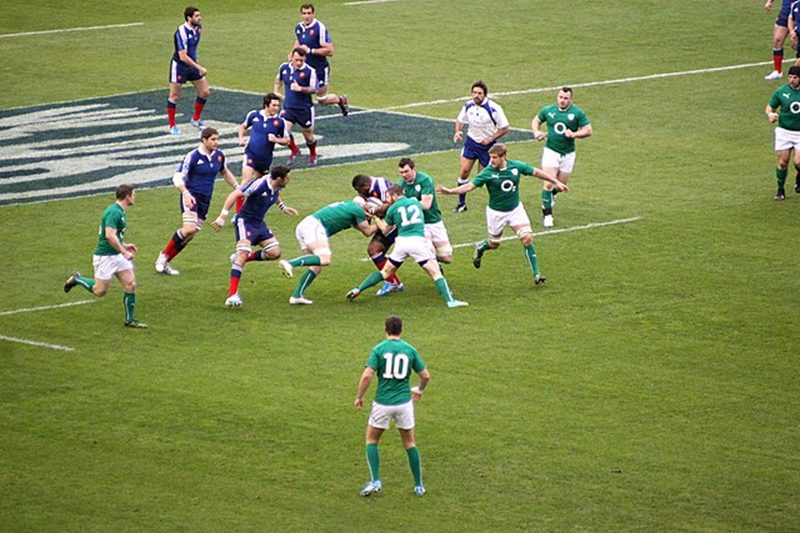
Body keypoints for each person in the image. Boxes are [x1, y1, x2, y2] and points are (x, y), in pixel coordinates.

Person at [438, 143, 568, 285]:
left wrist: (556, 182)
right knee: (494, 244)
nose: (491, 161)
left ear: (503, 157)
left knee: (527, 239)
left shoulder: (516, 166)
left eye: (494, 158)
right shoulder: (487, 172)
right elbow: (469, 186)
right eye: (490, 157)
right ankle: (481, 247)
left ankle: (537, 275)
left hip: (515, 210)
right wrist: (451, 191)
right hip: (496, 213)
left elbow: (536, 172)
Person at [346, 185, 468, 308]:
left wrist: (375, 218)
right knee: (436, 273)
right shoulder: (415, 202)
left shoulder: (392, 209)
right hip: (417, 242)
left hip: (402, 243)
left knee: (385, 272)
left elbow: (384, 230)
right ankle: (450, 301)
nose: (387, 200)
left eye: (388, 197)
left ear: (394, 196)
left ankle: (358, 289)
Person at [354, 315, 430, 497]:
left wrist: (359, 397)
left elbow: (367, 376)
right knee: (410, 443)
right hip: (404, 404)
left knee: (372, 440)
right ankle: (418, 485)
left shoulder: (379, 349)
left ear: (385, 329)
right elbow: (425, 375)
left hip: (382, 403)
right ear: (401, 330)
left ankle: (376, 480)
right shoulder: (409, 350)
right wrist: (418, 391)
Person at [155, 127, 239, 275]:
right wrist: (186, 193)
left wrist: (237, 187)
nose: (216, 142)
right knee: (189, 229)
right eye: (213, 139)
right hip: (191, 197)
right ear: (204, 140)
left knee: (190, 236)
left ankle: (167, 262)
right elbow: (177, 177)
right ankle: (163, 256)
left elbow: (224, 171)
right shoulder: (193, 156)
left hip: (205, 200)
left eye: (217, 139)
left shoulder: (219, 156)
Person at [211, 165, 298, 307]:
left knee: (275, 252)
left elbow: (275, 194)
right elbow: (235, 194)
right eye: (287, 178)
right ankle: (232, 295)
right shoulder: (259, 184)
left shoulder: (276, 186)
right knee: (243, 253)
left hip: (259, 224)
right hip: (245, 222)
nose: (289, 180)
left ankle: (239, 258)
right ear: (279, 178)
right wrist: (222, 216)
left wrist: (283, 207)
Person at [63, 184, 147, 328]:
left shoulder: (119, 211)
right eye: (133, 194)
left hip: (117, 255)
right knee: (99, 291)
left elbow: (113, 236)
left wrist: (124, 245)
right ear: (127, 196)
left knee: (130, 284)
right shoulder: (114, 212)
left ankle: (130, 320)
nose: (135, 197)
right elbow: (108, 235)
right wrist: (124, 251)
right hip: (105, 257)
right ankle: (76, 279)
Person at [279, 199, 377, 304]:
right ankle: (290, 263)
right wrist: (384, 223)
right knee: (325, 259)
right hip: (314, 226)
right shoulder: (357, 210)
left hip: (305, 225)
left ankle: (296, 296)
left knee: (315, 267)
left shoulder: (349, 207)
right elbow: (368, 231)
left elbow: (363, 229)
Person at [531, 87, 592, 228]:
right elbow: (536, 120)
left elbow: (588, 130)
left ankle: (553, 194)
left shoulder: (577, 113)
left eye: (565, 98)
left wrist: (574, 134)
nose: (562, 100)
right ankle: (547, 216)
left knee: (561, 185)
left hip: (568, 153)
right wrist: (536, 132)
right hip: (551, 151)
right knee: (548, 182)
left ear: (571, 99)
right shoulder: (548, 110)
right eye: (560, 97)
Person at [452, 81, 510, 213]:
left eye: (479, 93)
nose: (476, 95)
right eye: (474, 93)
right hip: (471, 143)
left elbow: (505, 127)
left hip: (488, 148)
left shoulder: (494, 108)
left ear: (485, 95)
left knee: (483, 178)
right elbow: (460, 120)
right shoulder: (468, 105)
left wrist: (491, 138)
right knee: (464, 172)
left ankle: (500, 202)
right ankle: (461, 204)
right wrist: (458, 131)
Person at [235, 93, 290, 213]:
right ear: (266, 105)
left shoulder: (280, 122)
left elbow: (287, 140)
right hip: (250, 154)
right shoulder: (254, 115)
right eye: (274, 105)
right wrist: (240, 139)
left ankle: (252, 208)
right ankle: (238, 214)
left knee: (258, 186)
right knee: (246, 181)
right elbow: (242, 127)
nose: (277, 108)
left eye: (278, 105)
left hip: (265, 159)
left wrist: (276, 140)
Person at [351, 174, 404, 297]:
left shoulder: (381, 184)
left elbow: (390, 203)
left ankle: (434, 260)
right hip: (386, 221)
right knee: (374, 250)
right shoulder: (365, 194)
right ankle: (393, 282)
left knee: (375, 249)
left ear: (365, 185)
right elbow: (367, 228)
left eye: (358, 190)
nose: (359, 193)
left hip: (397, 220)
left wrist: (374, 210)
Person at [291, 3, 349, 115]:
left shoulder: (319, 28)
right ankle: (299, 116)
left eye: (309, 13)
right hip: (304, 67)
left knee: (322, 100)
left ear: (313, 14)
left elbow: (330, 51)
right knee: (298, 90)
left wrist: (310, 51)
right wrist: (293, 54)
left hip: (319, 68)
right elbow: (298, 41)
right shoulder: (299, 27)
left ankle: (340, 100)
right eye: (304, 13)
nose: (306, 16)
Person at [397, 158, 453, 268]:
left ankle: (436, 261)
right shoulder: (400, 185)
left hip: (434, 220)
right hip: (419, 224)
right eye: (401, 172)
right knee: (429, 253)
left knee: (447, 258)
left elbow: (426, 205)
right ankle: (436, 270)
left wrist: (409, 203)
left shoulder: (425, 180)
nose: (404, 175)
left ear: (413, 170)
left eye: (406, 171)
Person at [167, 6, 210, 135]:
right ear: (189, 18)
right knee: (174, 96)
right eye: (196, 16)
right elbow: (183, 56)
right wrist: (199, 67)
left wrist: (196, 62)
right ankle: (172, 125)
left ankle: (195, 119)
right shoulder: (181, 32)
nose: (199, 18)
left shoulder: (198, 28)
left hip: (192, 64)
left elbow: (193, 48)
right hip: (180, 66)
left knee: (205, 92)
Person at [274, 48, 320, 166]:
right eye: (296, 60)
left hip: (304, 109)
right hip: (288, 108)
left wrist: (301, 89)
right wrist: (276, 91)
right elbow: (278, 80)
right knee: (282, 131)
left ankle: (313, 153)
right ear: (291, 57)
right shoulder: (284, 67)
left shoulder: (310, 71)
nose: (299, 63)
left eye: (301, 60)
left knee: (308, 136)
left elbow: (314, 89)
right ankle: (294, 150)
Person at [766, 65, 800, 199]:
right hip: (784, 131)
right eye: (790, 77)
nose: (792, 80)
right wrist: (770, 114)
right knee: (782, 162)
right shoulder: (781, 91)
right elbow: (770, 107)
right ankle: (780, 190)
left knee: (798, 162)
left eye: (795, 77)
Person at [765, 0, 795, 80]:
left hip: (798, 11)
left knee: (796, 45)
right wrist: (770, 1)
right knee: (777, 40)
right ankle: (777, 71)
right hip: (786, 10)